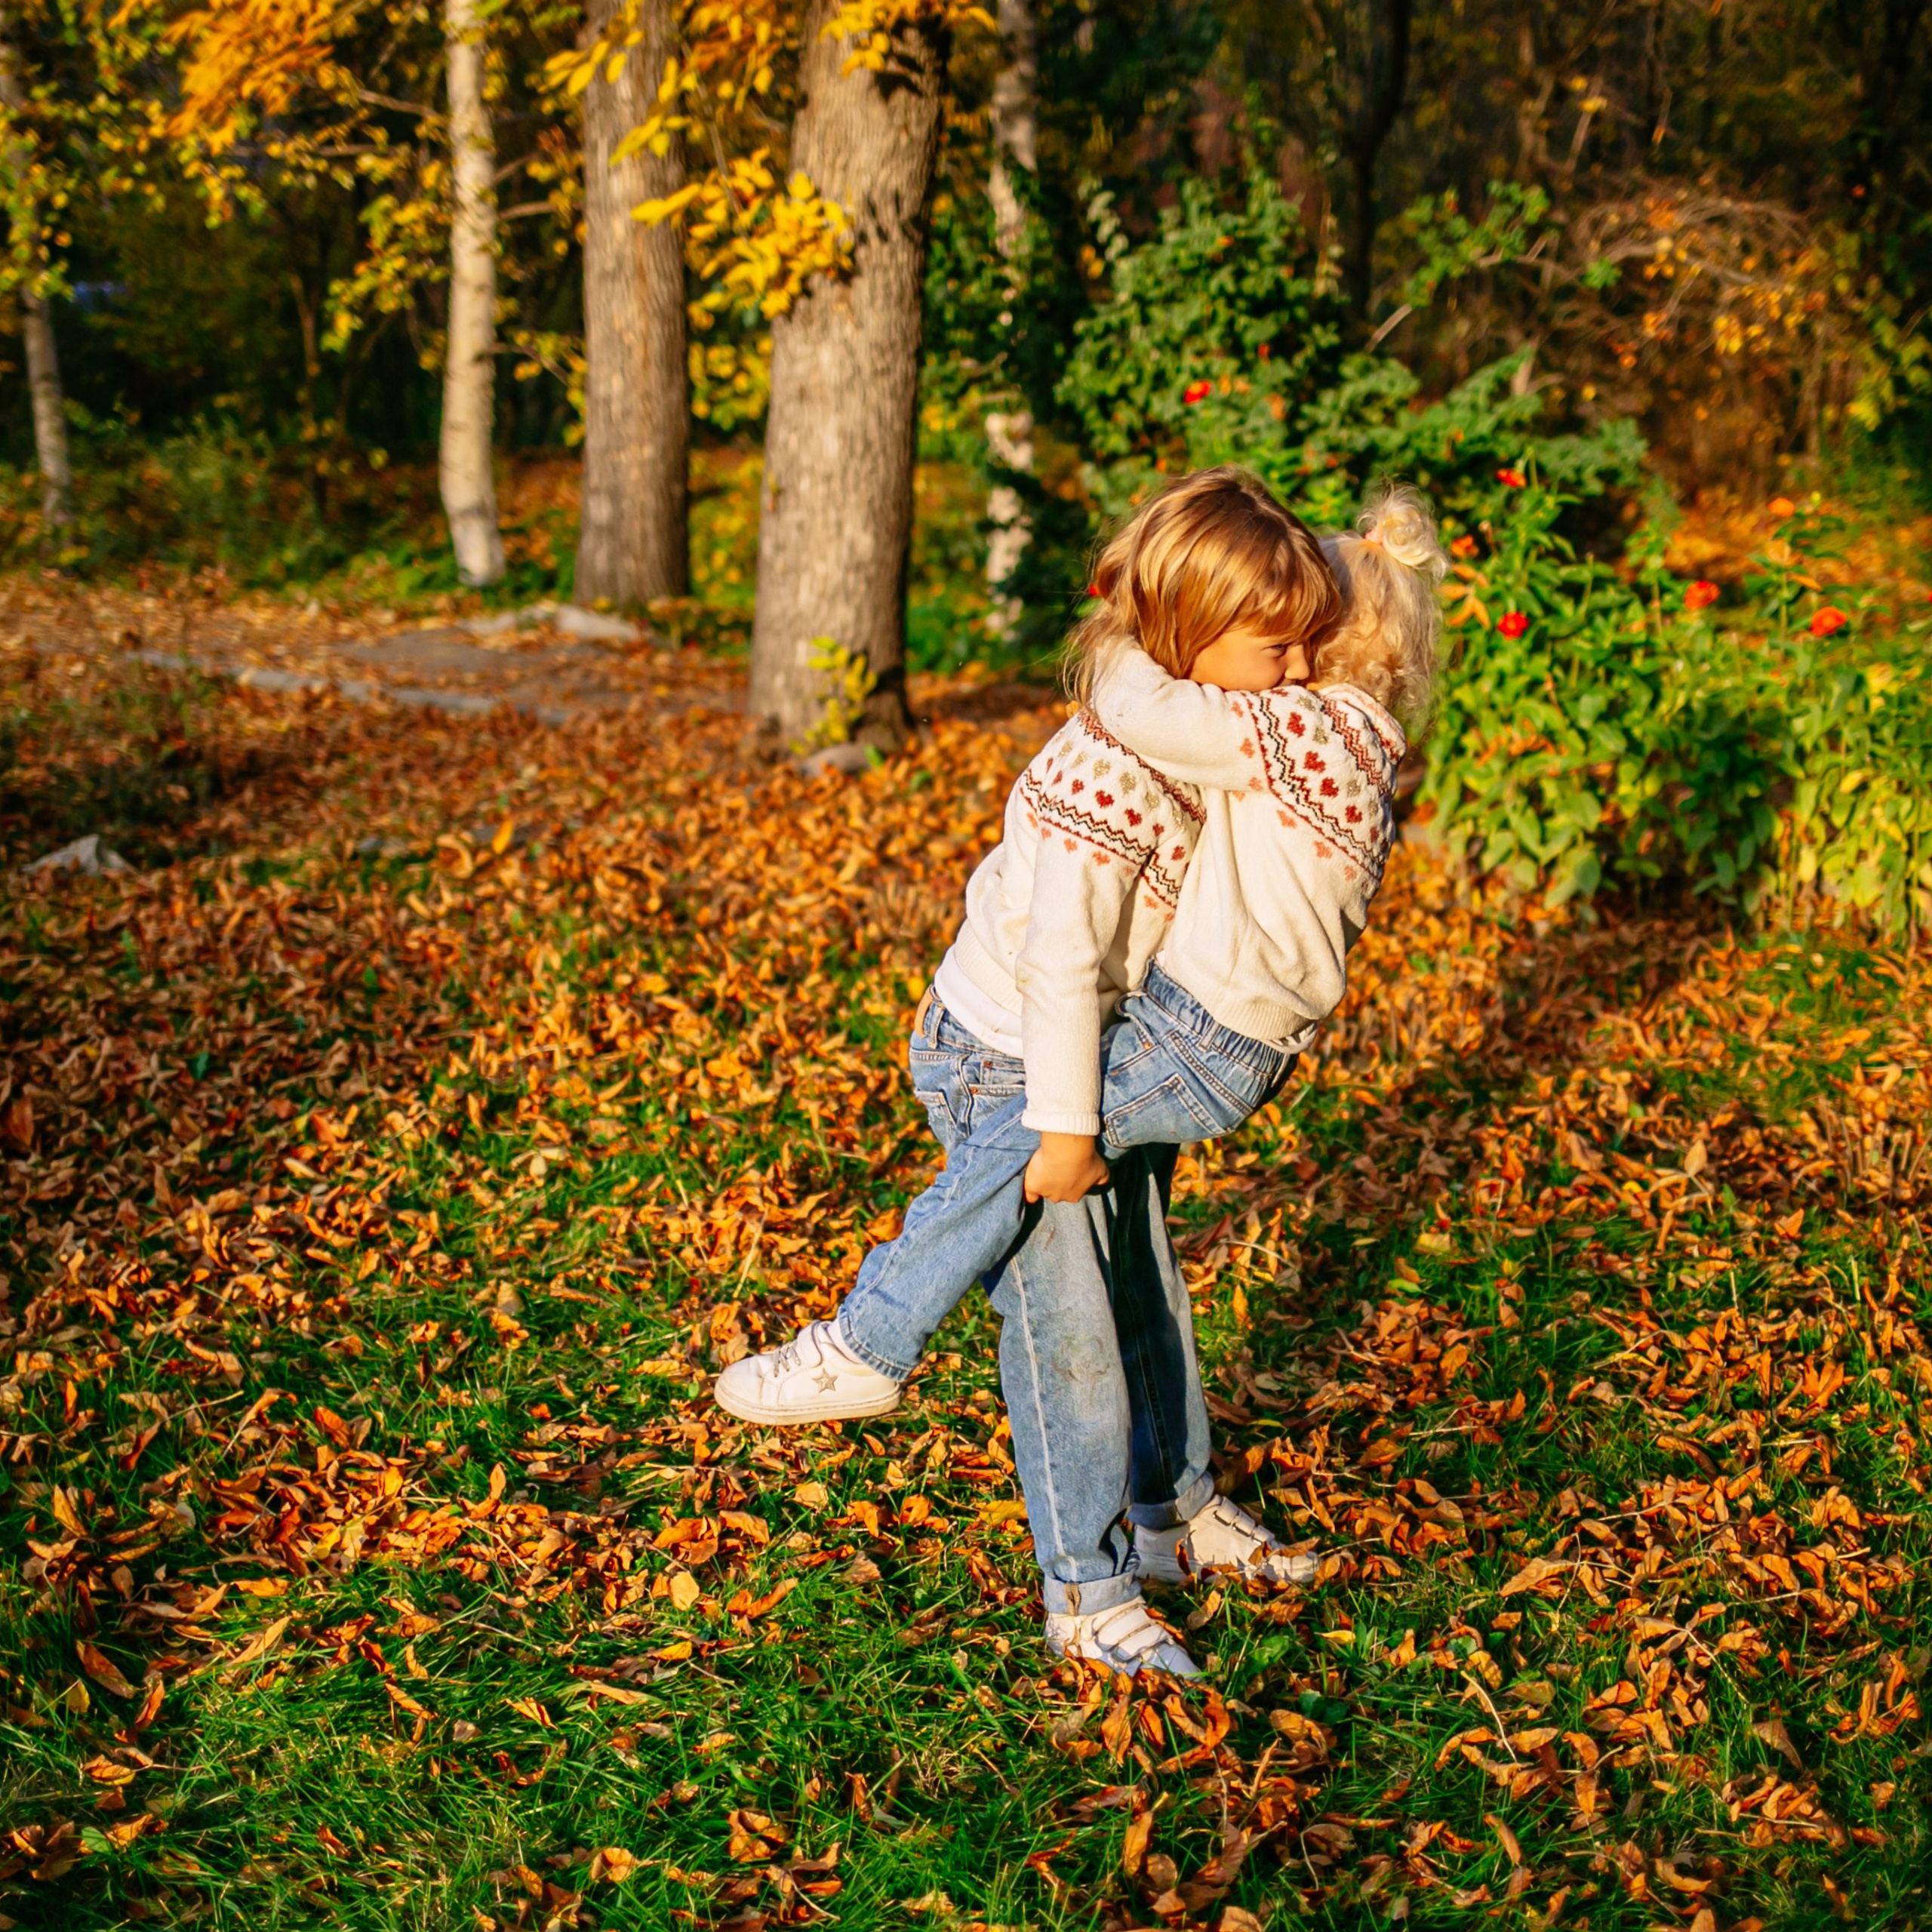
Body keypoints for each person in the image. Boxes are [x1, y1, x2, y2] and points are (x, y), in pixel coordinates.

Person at [718, 473, 1444, 1672]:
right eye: (1277, 648)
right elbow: (1059, 964)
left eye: (1303, 647)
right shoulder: (1107, 776)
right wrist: (1060, 1127)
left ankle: (1172, 1512)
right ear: (1193, 642)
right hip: (1013, 1056)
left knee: (1143, 1288)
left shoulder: (1228, 729)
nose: (1292, 672)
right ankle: (1082, 1587)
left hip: (1111, 1034)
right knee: (1072, 1335)